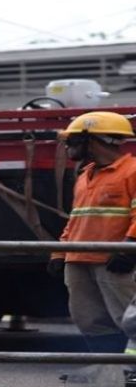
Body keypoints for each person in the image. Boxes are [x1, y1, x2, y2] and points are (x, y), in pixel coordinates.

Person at [50, 111, 136, 354]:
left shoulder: (131, 171)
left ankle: (131, 372)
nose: (69, 147)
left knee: (129, 319)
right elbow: (76, 219)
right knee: (89, 320)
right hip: (78, 260)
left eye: (74, 140)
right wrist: (59, 253)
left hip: (114, 262)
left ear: (97, 140)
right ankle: (105, 371)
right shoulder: (85, 175)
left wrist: (129, 249)